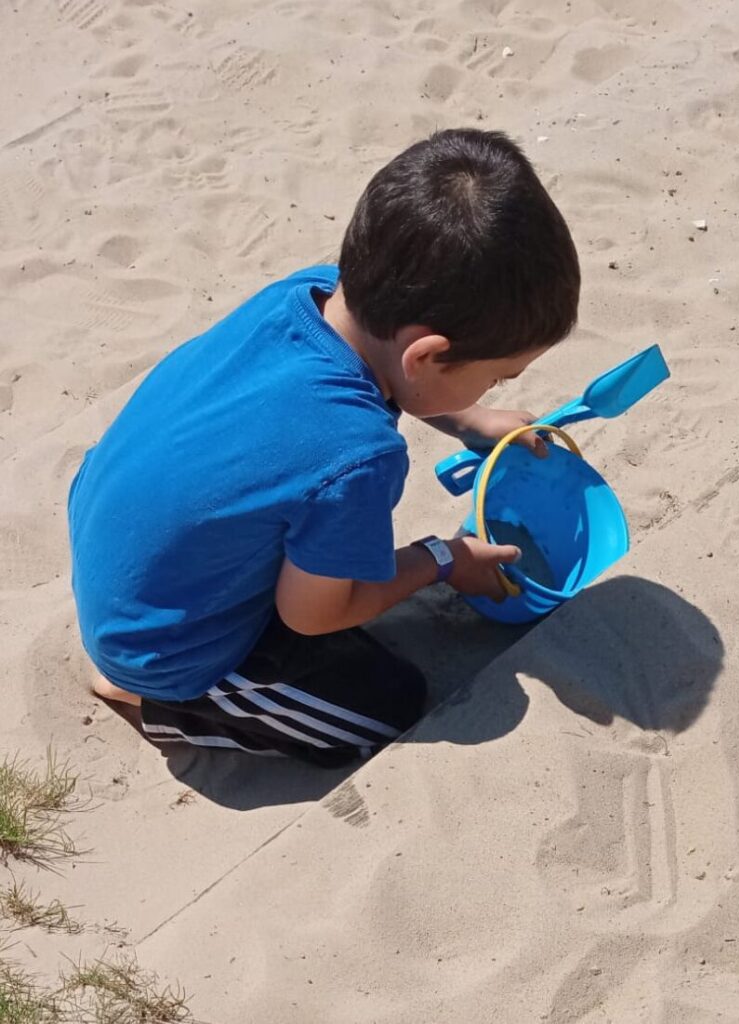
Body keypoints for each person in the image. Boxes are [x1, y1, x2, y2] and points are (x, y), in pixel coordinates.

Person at [68, 128, 580, 766]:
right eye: (499, 374)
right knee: (383, 707)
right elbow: (315, 616)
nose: (498, 387)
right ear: (428, 355)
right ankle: (152, 699)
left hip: (118, 540)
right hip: (166, 646)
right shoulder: (357, 458)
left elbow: (394, 380)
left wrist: (473, 422)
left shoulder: (312, 293)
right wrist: (444, 558)